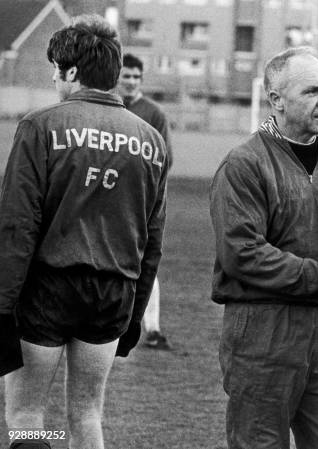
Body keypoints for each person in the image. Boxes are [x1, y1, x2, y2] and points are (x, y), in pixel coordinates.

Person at [0, 15, 168, 449]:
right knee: (87, 415)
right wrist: (135, 315)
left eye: (56, 68)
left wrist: (2, 307)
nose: (54, 77)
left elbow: (17, 227)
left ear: (72, 72)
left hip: (47, 288)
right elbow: (152, 241)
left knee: (26, 414)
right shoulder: (151, 140)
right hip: (113, 293)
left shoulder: (40, 126)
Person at [210, 46, 318, 449]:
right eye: (311, 92)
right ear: (276, 100)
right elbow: (242, 252)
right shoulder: (244, 164)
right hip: (264, 332)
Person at [118, 53, 173, 350]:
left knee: (145, 263)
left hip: (142, 202)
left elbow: (165, 161)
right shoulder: (109, 110)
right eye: (126, 76)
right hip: (110, 201)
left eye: (136, 77)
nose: (130, 81)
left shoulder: (154, 114)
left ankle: (151, 328)